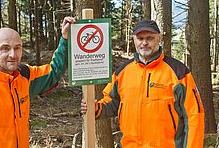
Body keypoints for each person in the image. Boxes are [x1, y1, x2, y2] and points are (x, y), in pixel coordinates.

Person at [0, 17, 75, 147]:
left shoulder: (25, 75)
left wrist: (64, 39)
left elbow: (53, 72)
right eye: (5, 48)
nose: (13, 55)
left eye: (17, 48)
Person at [81, 19, 205, 148]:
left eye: (150, 38)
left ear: (159, 38)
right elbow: (112, 102)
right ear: (134, 40)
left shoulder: (178, 72)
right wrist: (96, 108)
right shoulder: (122, 72)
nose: (144, 43)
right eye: (140, 38)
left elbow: (194, 116)